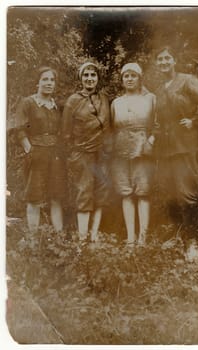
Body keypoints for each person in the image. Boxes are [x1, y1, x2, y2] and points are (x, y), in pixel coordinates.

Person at [154, 46, 198, 228]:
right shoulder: (158, 90)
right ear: (156, 63)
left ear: (174, 61)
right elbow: (159, 118)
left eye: (167, 58)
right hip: (165, 147)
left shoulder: (187, 80)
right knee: (169, 190)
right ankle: (177, 234)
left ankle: (193, 239)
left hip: (185, 144)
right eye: (160, 59)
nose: (164, 62)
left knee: (187, 190)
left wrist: (194, 120)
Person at [62, 61, 110, 242]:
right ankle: (82, 239)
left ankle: (94, 235)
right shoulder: (72, 101)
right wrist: (75, 153)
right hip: (82, 154)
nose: (90, 79)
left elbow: (108, 126)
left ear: (97, 78)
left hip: (103, 153)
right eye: (86, 75)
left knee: (102, 192)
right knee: (84, 192)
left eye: (93, 75)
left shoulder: (104, 98)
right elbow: (65, 133)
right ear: (81, 78)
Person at [16, 66, 66, 235]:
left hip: (55, 155)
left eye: (52, 80)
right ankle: (33, 241)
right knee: (34, 197)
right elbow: (19, 129)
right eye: (45, 79)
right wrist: (29, 149)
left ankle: (59, 238)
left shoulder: (56, 106)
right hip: (36, 154)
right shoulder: (28, 103)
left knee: (56, 196)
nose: (49, 83)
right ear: (37, 82)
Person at [111, 63, 156, 246]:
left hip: (143, 147)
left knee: (143, 191)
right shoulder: (117, 102)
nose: (129, 79)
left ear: (139, 78)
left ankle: (143, 238)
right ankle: (130, 238)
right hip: (120, 149)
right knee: (126, 191)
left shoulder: (150, 98)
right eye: (126, 76)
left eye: (133, 76)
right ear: (122, 80)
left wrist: (150, 141)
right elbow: (113, 128)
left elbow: (157, 123)